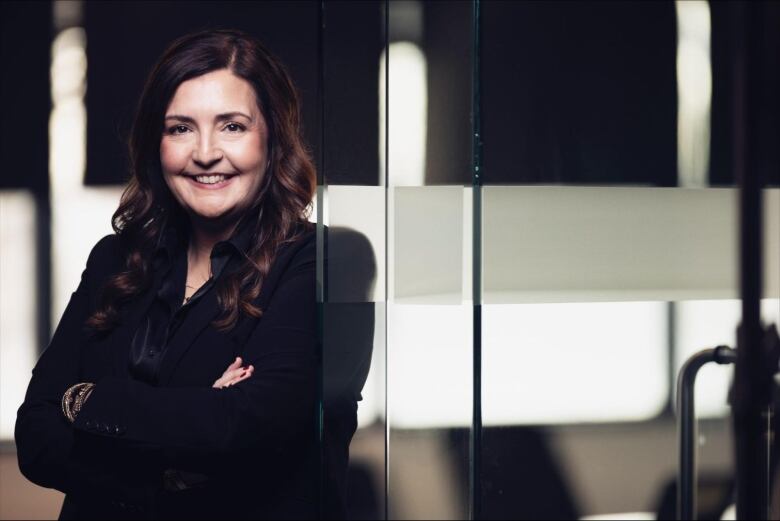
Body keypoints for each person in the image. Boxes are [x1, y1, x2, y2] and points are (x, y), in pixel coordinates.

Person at [15, 28, 353, 520]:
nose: (206, 153)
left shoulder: (316, 258)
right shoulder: (114, 259)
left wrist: (88, 400)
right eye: (180, 128)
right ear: (157, 143)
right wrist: (168, 471)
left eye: (233, 126)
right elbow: (36, 438)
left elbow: (247, 428)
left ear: (273, 138)